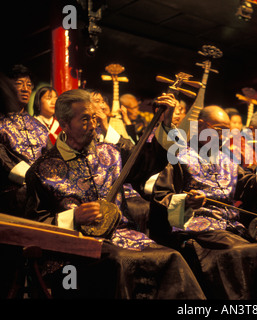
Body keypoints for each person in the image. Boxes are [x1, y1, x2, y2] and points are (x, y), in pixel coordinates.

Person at [24, 89, 205, 299]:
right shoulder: (41, 170)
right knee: (121, 262)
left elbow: (149, 161)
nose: (93, 125)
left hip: (124, 236)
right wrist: (73, 217)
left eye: (94, 117)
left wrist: (164, 123)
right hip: (74, 252)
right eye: (84, 120)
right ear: (64, 124)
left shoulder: (112, 152)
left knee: (171, 258)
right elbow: (33, 224)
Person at [151, 105, 257, 299]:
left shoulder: (226, 161)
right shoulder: (180, 158)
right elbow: (161, 196)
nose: (223, 136)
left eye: (226, 131)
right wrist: (187, 201)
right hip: (202, 232)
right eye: (219, 129)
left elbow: (247, 186)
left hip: (231, 230)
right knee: (253, 252)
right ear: (200, 126)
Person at [0, 65, 49, 217]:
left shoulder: (39, 126)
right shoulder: (1, 123)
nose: (25, 89)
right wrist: (30, 178)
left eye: (28, 85)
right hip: (11, 193)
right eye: (19, 83)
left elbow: (50, 156)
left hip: (42, 190)